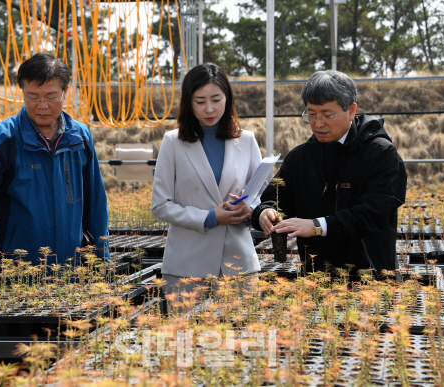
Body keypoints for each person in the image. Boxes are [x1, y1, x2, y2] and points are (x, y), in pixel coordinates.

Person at [0, 52, 109, 266]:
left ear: (65, 92)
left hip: (71, 269)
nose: (42, 105)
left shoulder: (80, 138)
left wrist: (101, 259)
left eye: (51, 97)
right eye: (33, 97)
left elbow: (95, 204)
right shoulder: (3, 139)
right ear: (23, 93)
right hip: (15, 270)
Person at [251, 70, 407, 277]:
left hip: (370, 278)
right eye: (311, 114)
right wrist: (265, 212)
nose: (318, 123)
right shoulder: (300, 157)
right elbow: (275, 198)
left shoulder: (380, 153)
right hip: (315, 276)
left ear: (351, 111)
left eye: (327, 115)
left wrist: (316, 226)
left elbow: (372, 214)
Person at [151, 63, 264, 303]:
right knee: (187, 338)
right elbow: (160, 205)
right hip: (187, 265)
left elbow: (260, 194)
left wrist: (249, 207)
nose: (209, 109)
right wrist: (210, 217)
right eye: (200, 101)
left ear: (228, 98)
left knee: (242, 337)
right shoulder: (173, 142)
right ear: (188, 103)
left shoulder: (246, 140)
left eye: (216, 99)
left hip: (238, 264)